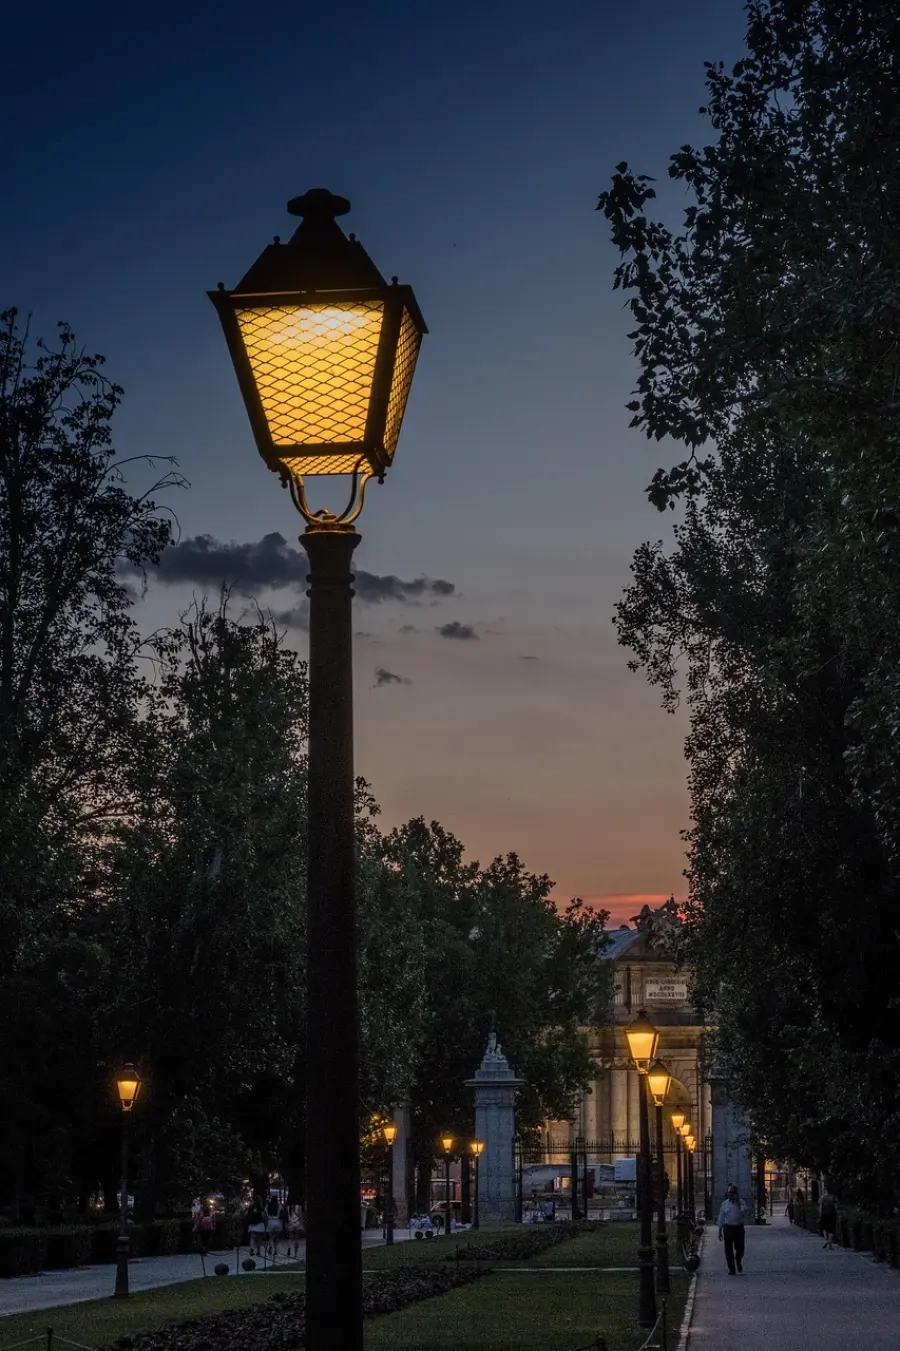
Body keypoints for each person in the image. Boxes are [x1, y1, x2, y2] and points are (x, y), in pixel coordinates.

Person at [717, 1185, 747, 1275]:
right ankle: (732, 1269)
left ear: (737, 1194)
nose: (731, 1195)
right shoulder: (724, 1204)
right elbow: (721, 1218)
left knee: (740, 1248)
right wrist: (719, 1231)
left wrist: (737, 1203)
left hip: (738, 1228)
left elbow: (744, 1213)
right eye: (729, 1193)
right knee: (728, 1250)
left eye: (733, 1193)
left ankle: (738, 1260)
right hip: (728, 1228)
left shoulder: (741, 1203)